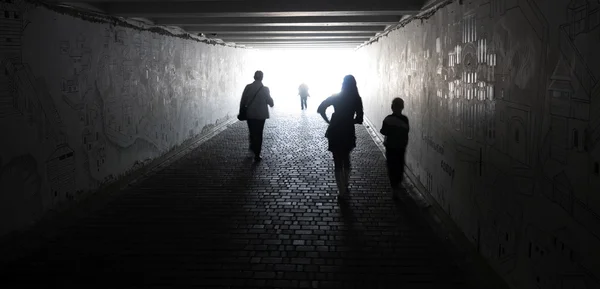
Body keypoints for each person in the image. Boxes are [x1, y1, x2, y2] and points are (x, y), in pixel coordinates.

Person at [317, 75, 364, 200]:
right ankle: (346, 183)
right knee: (346, 158)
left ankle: (341, 191)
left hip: (335, 130)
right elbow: (359, 119)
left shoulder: (336, 96)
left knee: (337, 161)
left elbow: (320, 108)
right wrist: (349, 120)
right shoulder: (356, 98)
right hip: (348, 131)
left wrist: (328, 121)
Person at [239, 70, 274, 162]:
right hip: (261, 115)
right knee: (259, 133)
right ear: (262, 77)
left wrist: (241, 112)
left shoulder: (248, 87)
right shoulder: (265, 89)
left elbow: (243, 101)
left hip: (250, 114)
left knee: (252, 131)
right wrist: (270, 103)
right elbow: (270, 102)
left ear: (254, 77)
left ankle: (252, 146)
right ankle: (257, 154)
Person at [380, 97, 410, 199]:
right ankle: (398, 183)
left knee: (391, 166)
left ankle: (394, 187)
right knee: (400, 165)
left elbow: (383, 132)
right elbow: (406, 132)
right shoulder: (405, 119)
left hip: (390, 147)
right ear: (402, 107)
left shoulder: (387, 119)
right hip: (401, 147)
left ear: (392, 107)